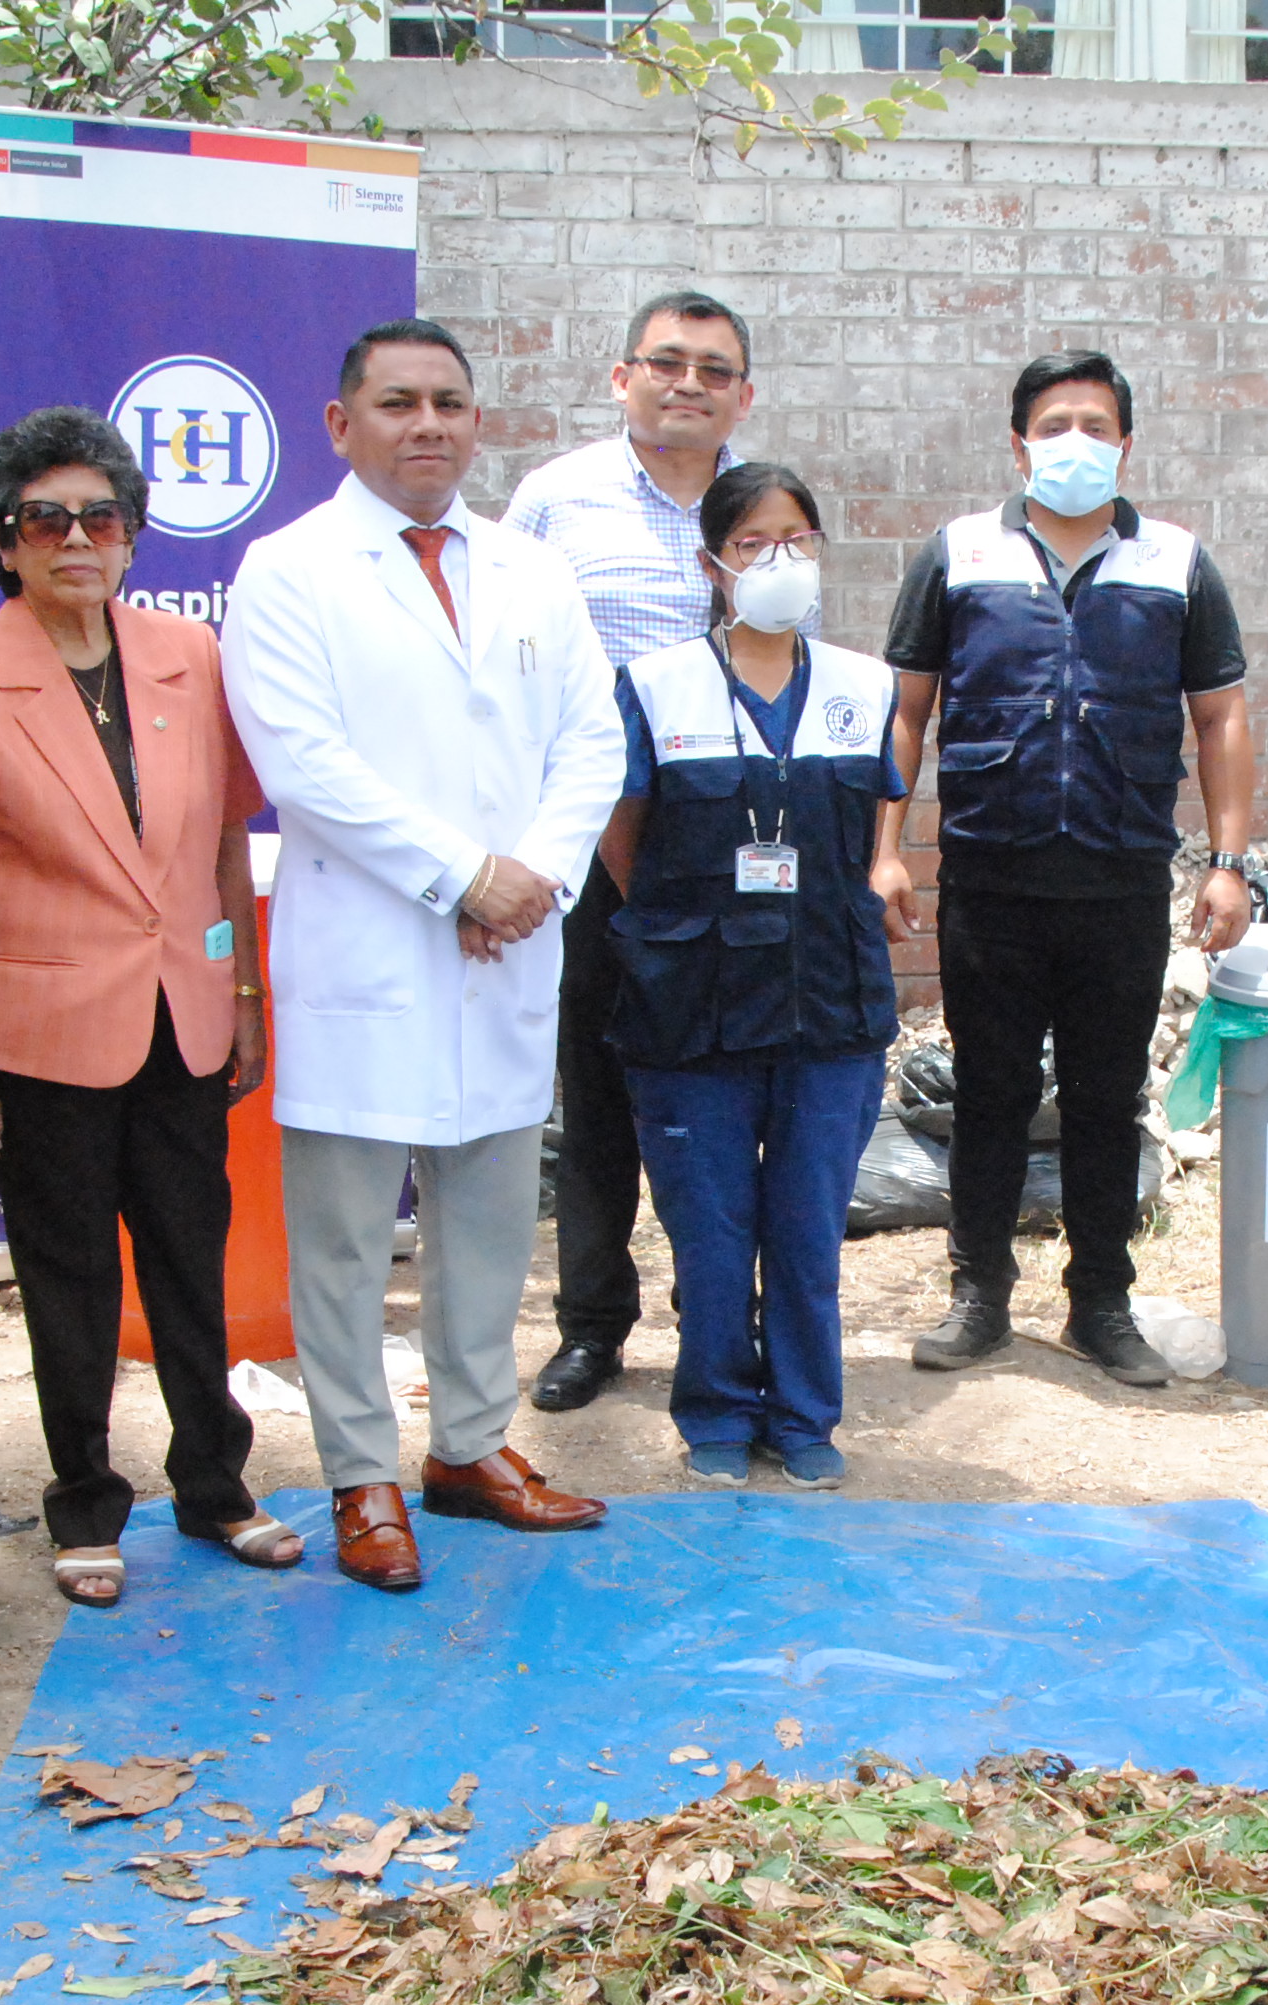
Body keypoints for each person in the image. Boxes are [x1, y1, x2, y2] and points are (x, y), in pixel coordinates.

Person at [220, 319, 629, 1592]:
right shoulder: (287, 570)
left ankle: (466, 1449)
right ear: (341, 425)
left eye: (450, 402)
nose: (429, 424)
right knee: (342, 1237)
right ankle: (359, 1474)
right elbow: (305, 766)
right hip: (371, 946)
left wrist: (529, 878)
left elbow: (590, 745)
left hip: (506, 946)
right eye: (398, 403)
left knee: (491, 1220)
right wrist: (462, 874)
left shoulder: (527, 570)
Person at [0, 407, 295, 1610]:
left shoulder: (189, 656)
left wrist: (242, 993)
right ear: (4, 541)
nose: (77, 539)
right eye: (45, 520)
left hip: (182, 1017)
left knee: (188, 1259)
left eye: (101, 518)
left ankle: (216, 1486)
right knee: (67, 1275)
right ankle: (81, 1500)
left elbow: (227, 837)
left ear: (131, 537)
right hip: (42, 1039)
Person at [883, 348, 1259, 1390]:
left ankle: (1100, 1301)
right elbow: (905, 712)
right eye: (1054, 426)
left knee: (1104, 1095)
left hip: (1120, 879)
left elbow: (1220, 717)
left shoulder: (1175, 564)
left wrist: (1225, 864)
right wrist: (885, 850)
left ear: (1126, 444)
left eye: (1095, 425)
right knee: (989, 1092)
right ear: (1018, 442)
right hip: (990, 881)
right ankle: (978, 1296)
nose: (1075, 444)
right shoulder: (958, 556)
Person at [599, 462, 908, 1487]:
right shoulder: (654, 685)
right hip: (691, 1011)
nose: (778, 561)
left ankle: (807, 1418)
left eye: (797, 541)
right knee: (713, 1231)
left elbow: (876, 825)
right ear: (711, 564)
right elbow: (622, 842)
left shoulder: (864, 686)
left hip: (830, 1004)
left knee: (807, 1227)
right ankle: (720, 1416)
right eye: (752, 544)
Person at [503, 289, 780, 1416]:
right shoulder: (553, 501)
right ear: (621, 378)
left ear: (742, 396)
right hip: (582, 844)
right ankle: (590, 1326)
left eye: (714, 371)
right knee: (599, 1089)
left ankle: (719, 1315)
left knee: (728, 1090)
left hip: (724, 849)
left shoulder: (759, 507)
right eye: (666, 363)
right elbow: (501, 655)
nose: (688, 384)